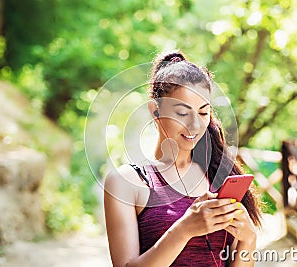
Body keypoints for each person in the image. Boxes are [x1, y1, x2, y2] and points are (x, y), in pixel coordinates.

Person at [104, 50, 262, 267]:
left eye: (203, 113)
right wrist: (185, 229)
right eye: (181, 113)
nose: (195, 125)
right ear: (155, 111)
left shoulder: (218, 177)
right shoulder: (127, 181)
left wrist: (248, 240)